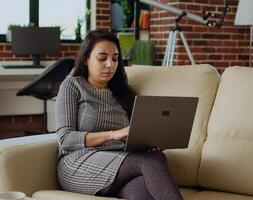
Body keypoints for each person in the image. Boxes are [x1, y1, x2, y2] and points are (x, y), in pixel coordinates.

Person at [55, 29, 183, 200]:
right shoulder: (72, 85)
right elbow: (65, 139)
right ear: (86, 59)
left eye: (115, 59)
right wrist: (112, 135)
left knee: (141, 193)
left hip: (120, 164)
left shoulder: (124, 94)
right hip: (78, 162)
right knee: (152, 160)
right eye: (102, 58)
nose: (110, 64)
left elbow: (133, 136)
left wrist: (151, 142)